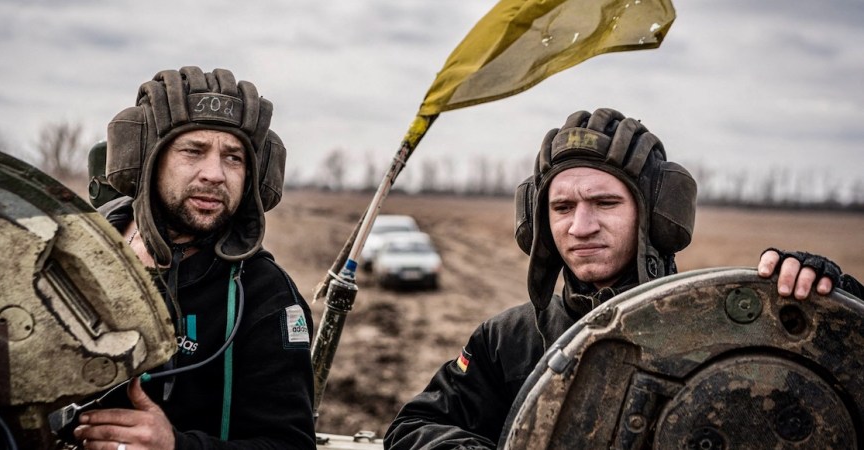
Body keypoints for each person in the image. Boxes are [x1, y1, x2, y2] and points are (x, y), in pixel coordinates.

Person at [383, 107, 862, 449]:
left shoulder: (728, 324)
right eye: (562, 207)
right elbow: (413, 427)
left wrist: (828, 308)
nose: (581, 226)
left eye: (605, 203)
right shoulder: (508, 340)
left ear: (654, 215)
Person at [72, 67, 315, 449]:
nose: (215, 174)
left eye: (233, 157)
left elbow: (290, 445)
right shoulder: (73, 257)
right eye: (193, 151)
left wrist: (177, 447)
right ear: (148, 159)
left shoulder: (265, 295)